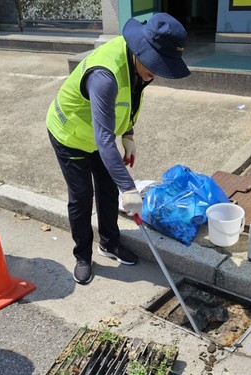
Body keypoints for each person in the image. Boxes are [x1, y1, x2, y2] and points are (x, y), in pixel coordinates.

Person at [47, 13, 190, 285]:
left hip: (98, 136)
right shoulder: (105, 76)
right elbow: (103, 140)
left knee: (108, 189)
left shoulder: (139, 66)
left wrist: (128, 134)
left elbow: (129, 100)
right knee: (81, 197)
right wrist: (130, 188)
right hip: (70, 134)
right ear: (141, 49)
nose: (157, 71)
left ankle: (109, 243)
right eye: (155, 62)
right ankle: (83, 256)